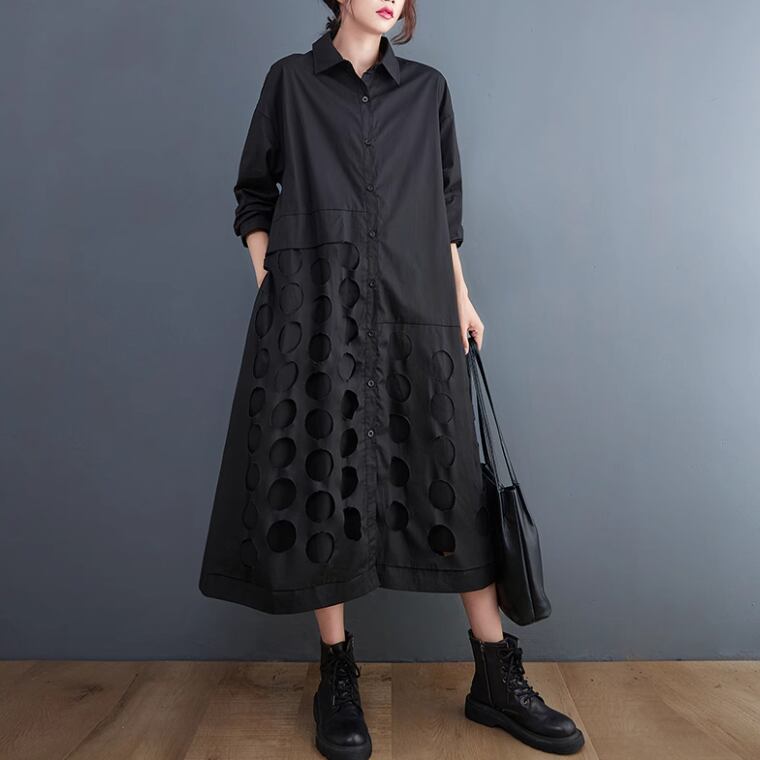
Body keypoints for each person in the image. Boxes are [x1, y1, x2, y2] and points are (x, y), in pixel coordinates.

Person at [198, 1, 584, 757]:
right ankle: (337, 673)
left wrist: (462, 297)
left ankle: (494, 674)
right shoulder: (290, 83)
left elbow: (444, 212)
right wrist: (275, 289)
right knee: (326, 473)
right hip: (319, 317)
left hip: (418, 307)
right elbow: (254, 196)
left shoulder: (428, 90)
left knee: (451, 480)